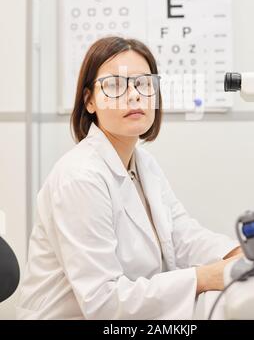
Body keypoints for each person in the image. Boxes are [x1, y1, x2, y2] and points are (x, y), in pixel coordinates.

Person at [17, 36, 240, 320]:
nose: (134, 95)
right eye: (114, 85)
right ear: (89, 101)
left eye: (144, 84)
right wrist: (203, 278)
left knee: (228, 304)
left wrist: (237, 255)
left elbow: (183, 235)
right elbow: (102, 302)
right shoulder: (80, 177)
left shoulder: (144, 163)